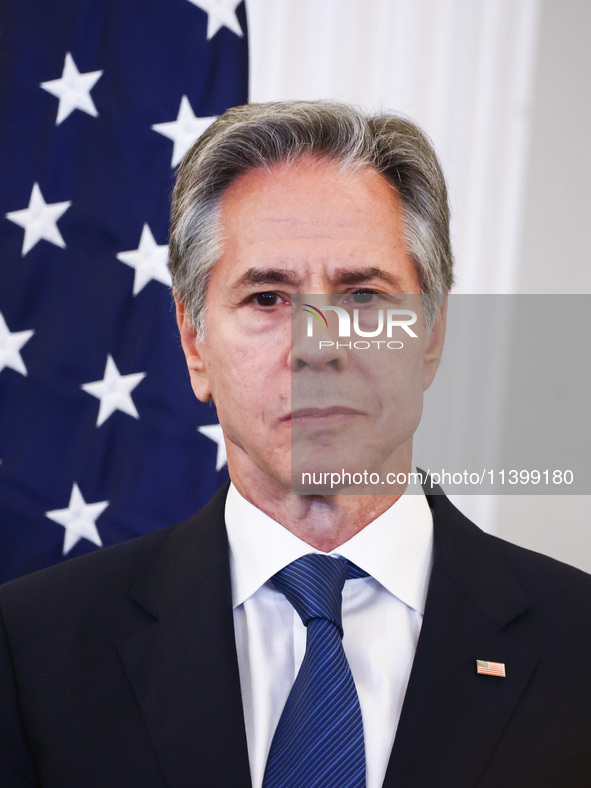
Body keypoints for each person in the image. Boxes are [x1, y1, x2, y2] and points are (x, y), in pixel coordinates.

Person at [1, 101, 590, 788]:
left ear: (430, 336)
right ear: (194, 342)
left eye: (364, 296)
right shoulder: (30, 646)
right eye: (267, 299)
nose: (317, 347)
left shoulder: (578, 645)